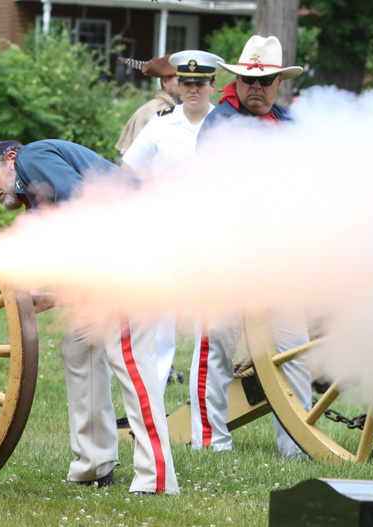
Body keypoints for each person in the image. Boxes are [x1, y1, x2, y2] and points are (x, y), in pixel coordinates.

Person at [0, 139, 178, 495]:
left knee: (127, 355)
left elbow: (81, 209)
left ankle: (157, 477)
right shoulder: (37, 199)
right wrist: (51, 297)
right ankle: (94, 465)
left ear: (10, 158)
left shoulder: (31, 158)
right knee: (79, 346)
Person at [192, 35, 311, 457]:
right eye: (247, 80)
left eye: (264, 81)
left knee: (292, 351)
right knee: (218, 348)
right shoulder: (221, 122)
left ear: (279, 82)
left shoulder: (289, 124)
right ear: (237, 80)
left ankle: (298, 446)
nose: (255, 88)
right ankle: (212, 443)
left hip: (280, 262)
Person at [120, 50, 223, 397]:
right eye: (186, 82)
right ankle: (152, 403)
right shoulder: (161, 125)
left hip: (211, 236)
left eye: (200, 83)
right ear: (177, 84)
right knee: (160, 326)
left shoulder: (224, 124)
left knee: (207, 328)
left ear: (212, 84)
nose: (192, 89)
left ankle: (203, 410)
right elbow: (129, 172)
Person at [114, 55, 180, 156]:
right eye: (179, 78)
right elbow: (138, 160)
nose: (187, 83)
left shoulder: (183, 109)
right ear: (165, 82)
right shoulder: (152, 111)